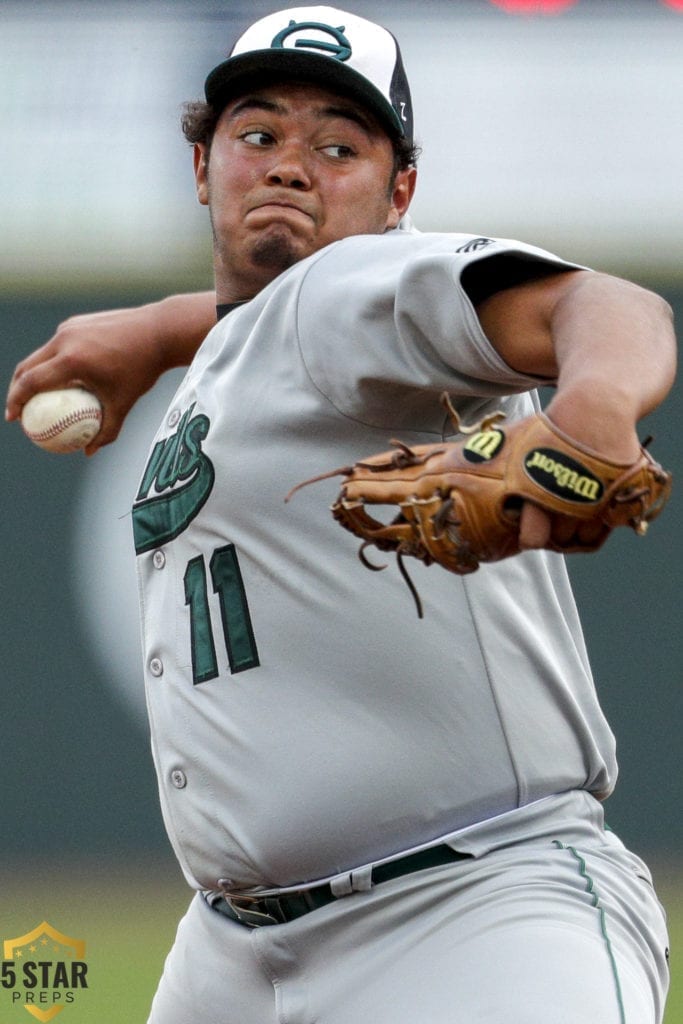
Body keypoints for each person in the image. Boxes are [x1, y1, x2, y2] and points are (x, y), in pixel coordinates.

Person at [6, 7, 676, 1023]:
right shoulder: (251, 342)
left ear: (398, 193)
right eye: (257, 134)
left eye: (336, 146)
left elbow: (610, 305)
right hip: (232, 953)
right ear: (202, 166)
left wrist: (589, 409)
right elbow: (260, 328)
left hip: (470, 917)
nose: (288, 165)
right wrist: (157, 326)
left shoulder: (357, 284)